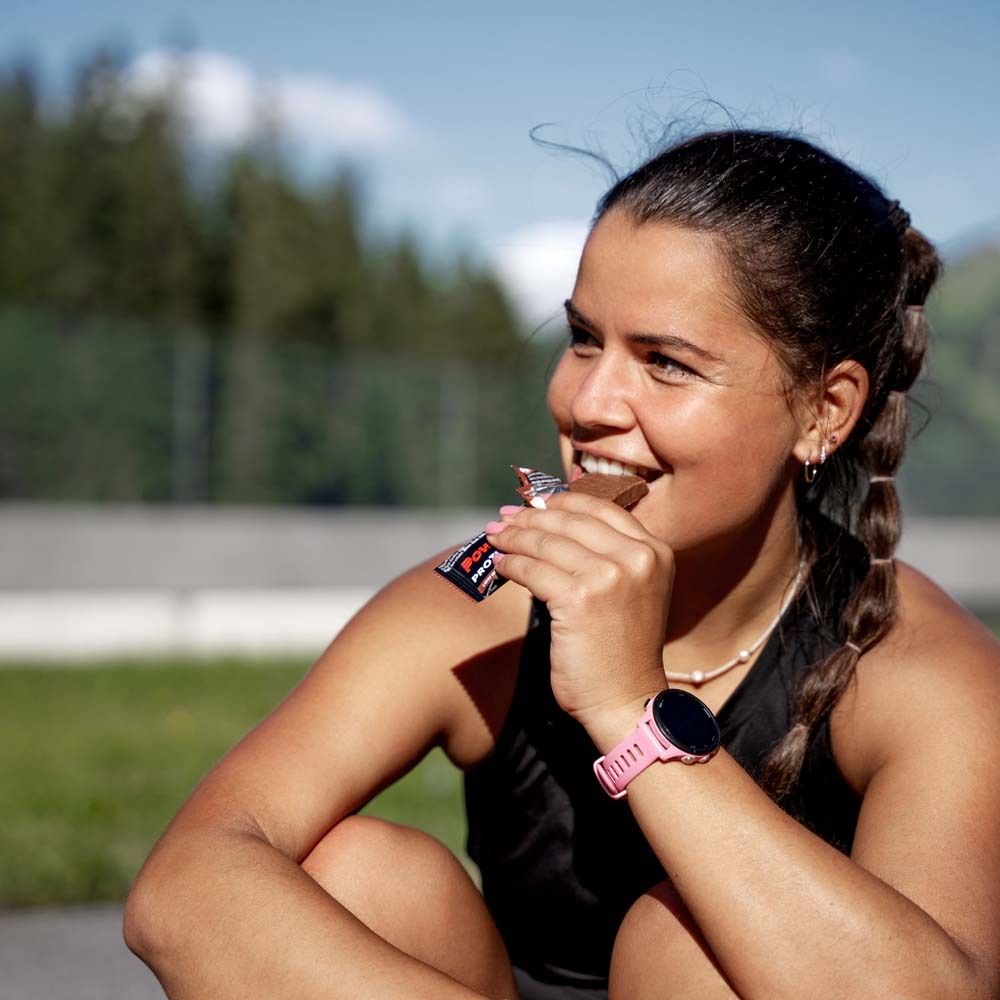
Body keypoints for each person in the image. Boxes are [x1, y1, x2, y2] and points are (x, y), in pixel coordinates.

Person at [123, 129, 1000, 999]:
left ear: (823, 411)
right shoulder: (482, 600)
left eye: (665, 363)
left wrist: (628, 709)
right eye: (584, 338)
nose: (583, 403)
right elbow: (183, 887)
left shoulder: (909, 661)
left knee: (686, 946)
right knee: (346, 873)